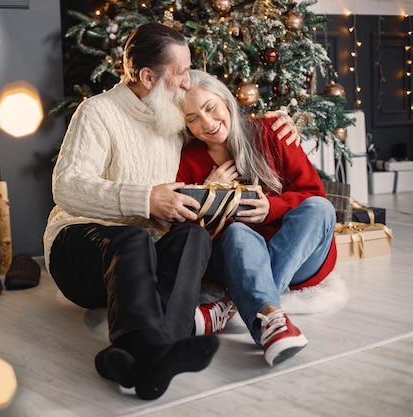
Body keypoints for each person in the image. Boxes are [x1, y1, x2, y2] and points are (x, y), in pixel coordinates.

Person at [44, 23, 299, 400]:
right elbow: (65, 187)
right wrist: (146, 199)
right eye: (180, 72)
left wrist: (274, 122)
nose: (187, 81)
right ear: (148, 76)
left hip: (138, 262)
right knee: (132, 237)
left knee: (194, 236)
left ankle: (140, 357)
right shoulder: (97, 112)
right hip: (79, 250)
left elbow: (218, 120)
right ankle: (154, 349)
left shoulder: (171, 115)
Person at [176, 70, 337, 366]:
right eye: (192, 118)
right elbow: (186, 234)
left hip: (298, 257)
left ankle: (230, 307)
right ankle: (269, 319)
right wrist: (209, 196)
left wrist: (273, 207)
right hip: (238, 262)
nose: (207, 123)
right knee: (238, 234)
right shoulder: (187, 160)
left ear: (225, 100)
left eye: (210, 108)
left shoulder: (271, 131)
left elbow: (314, 194)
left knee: (320, 209)